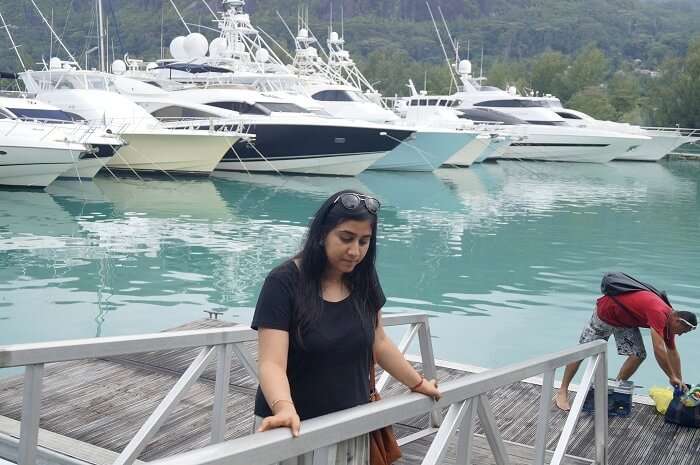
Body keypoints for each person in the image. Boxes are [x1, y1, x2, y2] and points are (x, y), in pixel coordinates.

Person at [251, 190, 441, 464]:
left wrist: (419, 383)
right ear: (321, 234)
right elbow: (271, 363)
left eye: (364, 241)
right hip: (291, 428)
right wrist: (284, 409)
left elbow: (379, 342)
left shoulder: (363, 278)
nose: (355, 251)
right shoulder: (283, 283)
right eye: (346, 238)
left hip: (349, 424)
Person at [555, 289, 697, 411]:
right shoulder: (659, 312)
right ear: (677, 321)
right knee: (582, 352)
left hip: (624, 322)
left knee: (638, 355)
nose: (679, 335)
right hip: (605, 314)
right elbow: (659, 349)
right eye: (682, 331)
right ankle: (562, 391)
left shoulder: (670, 321)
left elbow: (672, 352)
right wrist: (671, 376)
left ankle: (615, 390)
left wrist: (678, 379)